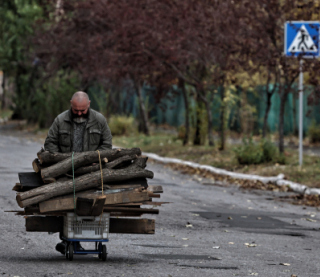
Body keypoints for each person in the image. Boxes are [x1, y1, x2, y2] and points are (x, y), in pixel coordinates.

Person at [44, 91, 112, 255]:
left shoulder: (99, 120)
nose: (80, 113)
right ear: (71, 104)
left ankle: (77, 239)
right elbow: (50, 143)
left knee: (88, 203)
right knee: (67, 203)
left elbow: (107, 144)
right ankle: (69, 239)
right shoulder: (60, 120)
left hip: (91, 170)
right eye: (76, 110)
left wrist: (96, 158)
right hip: (66, 172)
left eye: (83, 110)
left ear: (89, 104)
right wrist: (61, 162)